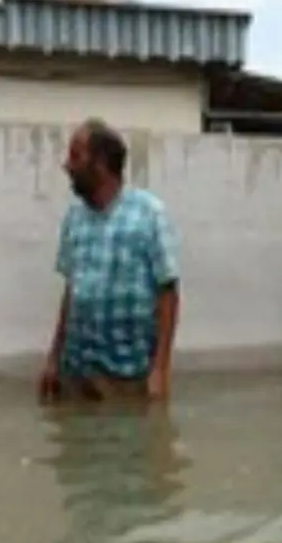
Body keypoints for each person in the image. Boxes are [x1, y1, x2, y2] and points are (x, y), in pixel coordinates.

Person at [38, 118, 181, 404]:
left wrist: (160, 370)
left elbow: (169, 292)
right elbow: (71, 292)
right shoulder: (74, 217)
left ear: (100, 163)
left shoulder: (149, 214)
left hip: (128, 377)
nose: (67, 165)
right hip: (77, 371)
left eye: (75, 155)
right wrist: (53, 358)